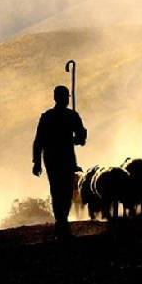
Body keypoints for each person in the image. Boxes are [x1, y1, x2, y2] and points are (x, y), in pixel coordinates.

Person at [32, 85, 87, 238]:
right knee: (65, 191)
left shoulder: (48, 116)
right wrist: (78, 139)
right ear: (65, 98)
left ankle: (61, 222)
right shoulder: (71, 116)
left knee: (58, 190)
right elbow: (81, 137)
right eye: (66, 97)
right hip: (65, 158)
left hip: (52, 159)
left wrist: (37, 162)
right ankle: (62, 222)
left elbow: (38, 142)